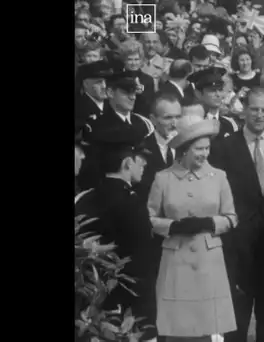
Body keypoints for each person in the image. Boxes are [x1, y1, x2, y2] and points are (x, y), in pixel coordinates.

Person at [209, 87, 264, 342]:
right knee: (236, 321)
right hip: (237, 248)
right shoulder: (224, 147)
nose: (259, 115)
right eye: (254, 109)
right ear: (244, 110)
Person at [147, 115, 238, 341]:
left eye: (207, 148)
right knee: (177, 330)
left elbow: (232, 217)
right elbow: (149, 219)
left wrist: (211, 223)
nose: (204, 154)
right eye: (199, 149)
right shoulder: (163, 178)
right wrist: (173, 226)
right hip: (176, 261)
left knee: (208, 329)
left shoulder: (219, 177)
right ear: (185, 149)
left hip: (209, 261)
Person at [74, 126, 158, 342]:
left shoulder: (83, 198)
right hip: (128, 307)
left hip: (89, 306)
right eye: (139, 159)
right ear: (127, 163)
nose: (144, 164)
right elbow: (143, 258)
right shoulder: (132, 202)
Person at [79, 70, 155, 191]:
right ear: (110, 92)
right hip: (110, 190)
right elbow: (93, 169)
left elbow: (151, 161)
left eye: (134, 92)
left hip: (145, 188)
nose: (132, 97)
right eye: (126, 92)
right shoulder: (95, 126)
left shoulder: (144, 124)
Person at [188, 67, 239, 140]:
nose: (218, 94)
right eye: (212, 90)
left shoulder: (229, 124)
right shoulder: (192, 124)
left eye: (220, 90)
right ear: (198, 93)